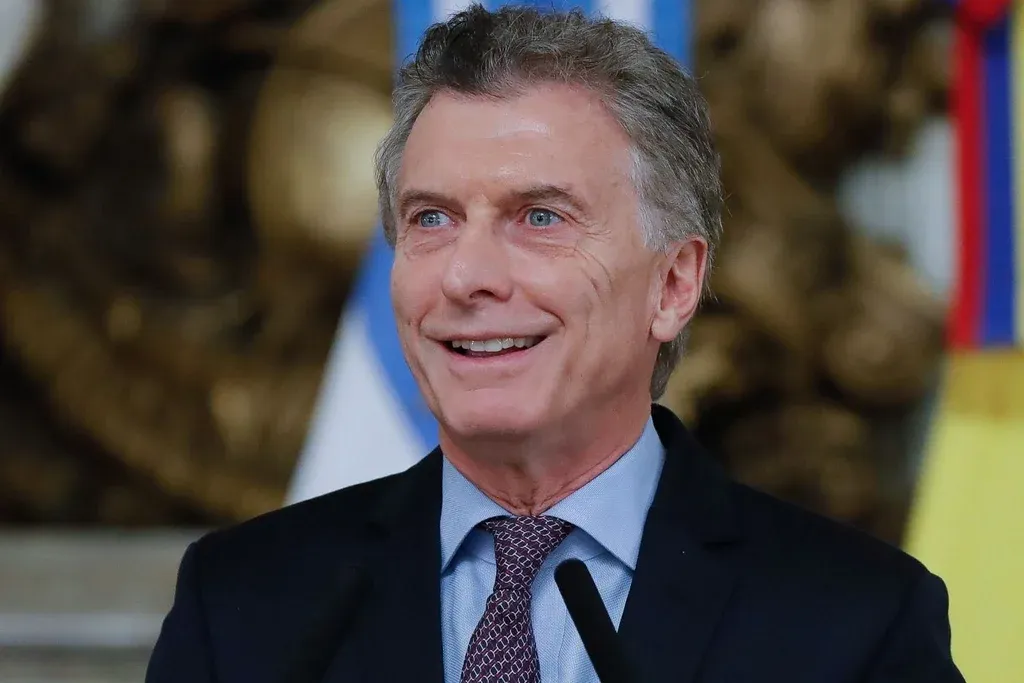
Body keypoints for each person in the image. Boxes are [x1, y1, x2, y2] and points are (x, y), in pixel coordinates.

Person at [146, 5, 965, 682]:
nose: (466, 275)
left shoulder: (856, 623)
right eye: (431, 218)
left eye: (540, 217)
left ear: (674, 284)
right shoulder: (244, 605)